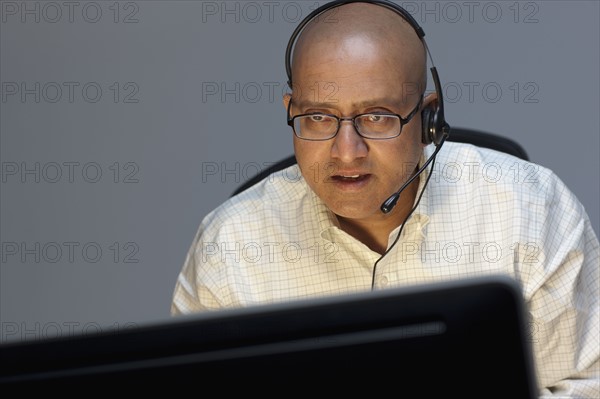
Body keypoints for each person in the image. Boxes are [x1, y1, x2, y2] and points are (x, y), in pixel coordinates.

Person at [171, 1, 599, 397]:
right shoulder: (229, 243)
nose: (346, 151)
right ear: (290, 109)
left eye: (377, 117)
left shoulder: (531, 209)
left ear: (429, 118)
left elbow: (588, 385)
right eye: (318, 117)